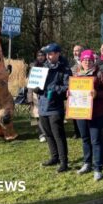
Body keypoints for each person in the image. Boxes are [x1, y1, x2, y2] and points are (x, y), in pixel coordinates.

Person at [73, 50, 103, 181]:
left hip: (96, 112)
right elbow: (73, 90)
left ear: (93, 61)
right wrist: (69, 94)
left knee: (96, 141)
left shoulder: (99, 73)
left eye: (89, 60)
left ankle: (98, 168)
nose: (87, 62)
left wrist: (97, 94)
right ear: (81, 61)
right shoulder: (77, 75)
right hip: (80, 112)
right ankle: (87, 163)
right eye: (85, 60)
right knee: (85, 139)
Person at [34, 43, 71, 173]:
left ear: (57, 54)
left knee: (58, 135)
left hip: (55, 107)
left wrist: (54, 89)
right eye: (47, 54)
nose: (48, 56)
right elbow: (37, 86)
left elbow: (68, 87)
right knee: (48, 134)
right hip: (43, 106)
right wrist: (36, 88)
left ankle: (64, 162)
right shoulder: (42, 68)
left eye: (51, 54)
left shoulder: (64, 69)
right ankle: (54, 157)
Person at [27, 50, 47, 142]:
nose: (40, 57)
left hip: (47, 93)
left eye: (42, 55)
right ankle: (41, 134)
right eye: (39, 55)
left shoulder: (49, 66)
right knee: (38, 115)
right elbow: (30, 83)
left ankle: (48, 133)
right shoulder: (33, 67)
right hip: (35, 94)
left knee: (47, 114)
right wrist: (29, 96)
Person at [69, 45, 83, 139]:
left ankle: (83, 131)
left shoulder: (86, 61)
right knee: (74, 112)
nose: (75, 52)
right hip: (73, 89)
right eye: (74, 51)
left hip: (83, 88)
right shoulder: (70, 62)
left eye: (77, 51)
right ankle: (76, 132)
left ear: (82, 51)